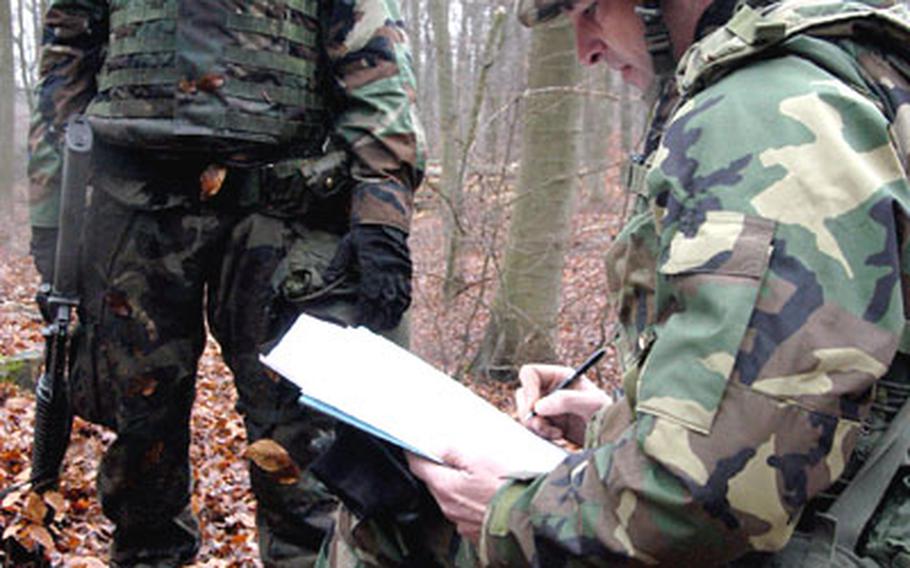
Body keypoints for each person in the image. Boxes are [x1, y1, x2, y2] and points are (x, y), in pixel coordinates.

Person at [324, 0, 910, 565]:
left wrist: (505, 515)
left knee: (392, 515)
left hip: (828, 540)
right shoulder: (854, 65)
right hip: (855, 516)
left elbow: (705, 497)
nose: (584, 50)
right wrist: (610, 421)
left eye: (590, 10)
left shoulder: (767, 113)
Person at [27, 1, 424, 566]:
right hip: (134, 208)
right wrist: (51, 213)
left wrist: (382, 216)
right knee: (138, 444)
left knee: (304, 452)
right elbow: (66, 59)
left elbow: (374, 57)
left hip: (286, 207)